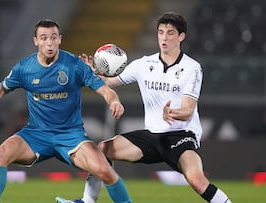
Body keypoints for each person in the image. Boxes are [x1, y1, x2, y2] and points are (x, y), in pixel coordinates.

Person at [55, 12, 232, 203]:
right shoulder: (144, 64)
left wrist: (172, 113)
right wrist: (91, 72)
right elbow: (109, 82)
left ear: (181, 36)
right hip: (152, 136)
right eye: (161, 32)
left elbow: (188, 109)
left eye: (170, 33)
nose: (164, 37)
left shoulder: (192, 68)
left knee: (197, 181)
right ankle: (87, 201)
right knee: (103, 149)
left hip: (181, 135)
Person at [0, 19, 132, 203]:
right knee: (2, 152)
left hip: (71, 136)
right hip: (36, 134)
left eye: (53, 37)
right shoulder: (24, 68)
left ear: (60, 39)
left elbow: (105, 89)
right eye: (44, 38)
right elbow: (1, 88)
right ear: (36, 41)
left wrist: (114, 101)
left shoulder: (74, 65)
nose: (49, 42)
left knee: (104, 170)